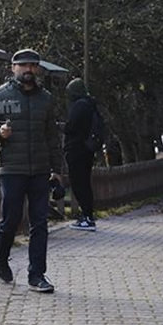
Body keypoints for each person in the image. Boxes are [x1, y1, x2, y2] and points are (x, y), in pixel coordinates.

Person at [0, 49, 63, 293]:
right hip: (11, 169)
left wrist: (57, 170)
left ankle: (37, 275)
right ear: (13, 68)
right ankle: (1, 255)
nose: (28, 70)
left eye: (33, 66)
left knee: (39, 223)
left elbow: (52, 137)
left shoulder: (46, 99)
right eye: (23, 66)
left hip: (39, 170)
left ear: (37, 69)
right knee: (10, 220)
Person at [63, 78, 101, 231]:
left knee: (79, 183)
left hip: (77, 149)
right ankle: (88, 215)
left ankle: (86, 217)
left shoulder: (79, 105)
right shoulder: (90, 104)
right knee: (85, 182)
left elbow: (71, 126)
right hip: (87, 149)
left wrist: (61, 126)